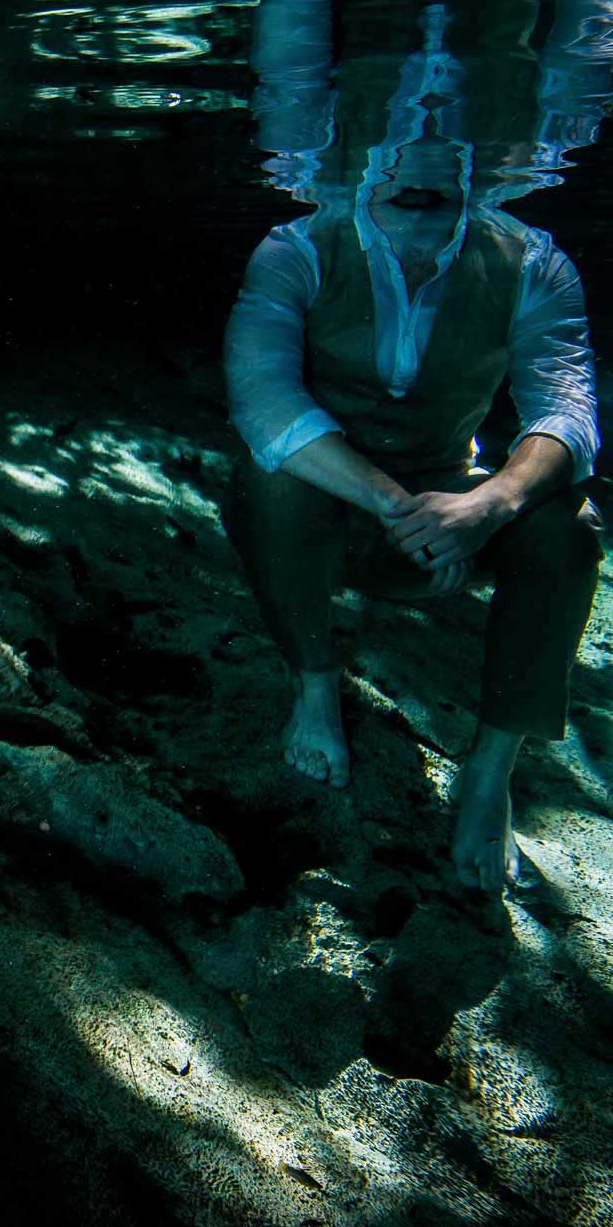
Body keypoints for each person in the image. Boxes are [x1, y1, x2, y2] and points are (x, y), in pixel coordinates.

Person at [222, 124, 603, 896]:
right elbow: (264, 404)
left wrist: (489, 504)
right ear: (352, 156)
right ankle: (315, 686)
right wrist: (403, 507)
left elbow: (568, 414)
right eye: (396, 138)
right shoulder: (294, 249)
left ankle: (492, 767)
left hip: (454, 511)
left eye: (444, 147)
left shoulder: (532, 262)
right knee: (266, 479)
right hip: (343, 514)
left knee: (571, 525)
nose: (421, 161)